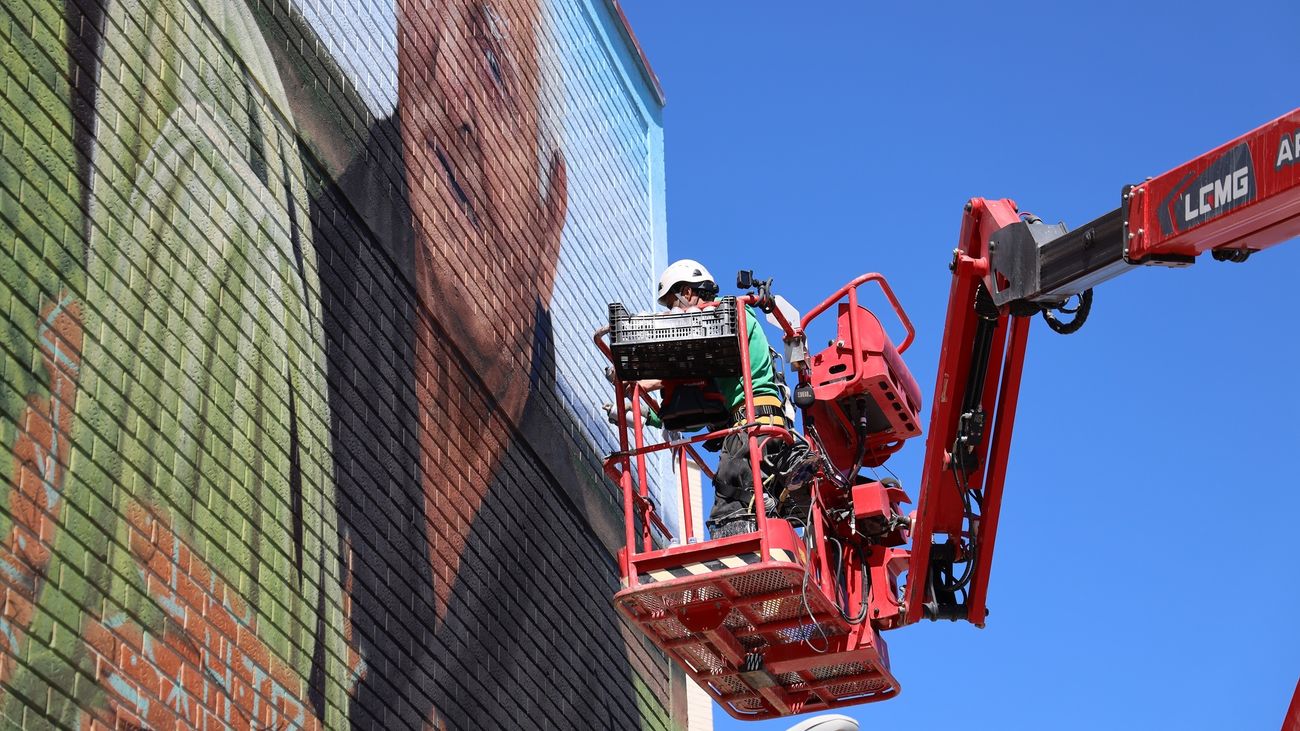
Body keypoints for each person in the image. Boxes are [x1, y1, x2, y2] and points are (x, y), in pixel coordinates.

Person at [610, 259, 818, 538]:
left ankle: (761, 521)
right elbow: (695, 411)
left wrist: (643, 381)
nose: (674, 311)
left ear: (688, 292)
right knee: (742, 497)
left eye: (674, 301)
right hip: (750, 426)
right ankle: (771, 504)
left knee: (728, 512)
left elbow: (688, 365)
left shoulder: (724, 317)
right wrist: (645, 415)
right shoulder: (718, 345)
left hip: (752, 425)